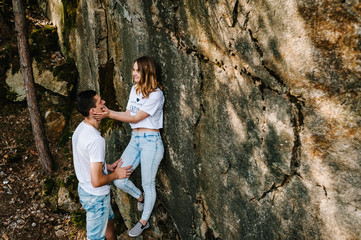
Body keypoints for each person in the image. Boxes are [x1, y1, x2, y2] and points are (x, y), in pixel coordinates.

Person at [93, 56, 165, 237]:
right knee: (118, 178)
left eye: (137, 70)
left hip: (151, 142)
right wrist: (110, 113)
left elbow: (135, 118)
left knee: (148, 183)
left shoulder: (156, 95)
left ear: (146, 72)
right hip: (135, 139)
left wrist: (108, 115)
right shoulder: (135, 89)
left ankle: (143, 221)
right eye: (133, 69)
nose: (133, 73)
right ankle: (139, 197)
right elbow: (127, 113)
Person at [72, 90, 133, 240]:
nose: (104, 102)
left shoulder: (81, 128)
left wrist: (105, 166)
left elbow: (84, 157)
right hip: (96, 197)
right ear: (93, 111)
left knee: (108, 222)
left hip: (85, 191)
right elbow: (97, 181)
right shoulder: (95, 140)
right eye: (100, 102)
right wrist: (116, 175)